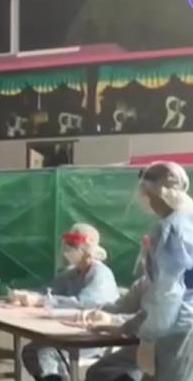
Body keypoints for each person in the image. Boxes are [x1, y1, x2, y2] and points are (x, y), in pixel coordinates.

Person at [20, 223, 120, 381]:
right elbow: (50, 291)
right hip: (70, 332)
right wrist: (25, 296)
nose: (68, 250)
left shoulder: (101, 274)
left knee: (45, 352)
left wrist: (41, 301)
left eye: (73, 246)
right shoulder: (73, 273)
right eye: (67, 245)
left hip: (95, 337)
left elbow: (86, 302)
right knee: (31, 351)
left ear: (87, 249)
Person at [134, 161, 193, 380]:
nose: (146, 199)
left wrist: (149, 335)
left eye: (148, 193)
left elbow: (169, 290)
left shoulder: (170, 228)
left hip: (177, 328)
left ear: (160, 192)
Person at [83, 273, 149, 381]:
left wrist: (114, 321)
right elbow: (122, 307)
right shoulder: (146, 281)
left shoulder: (169, 281)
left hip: (163, 353)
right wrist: (98, 312)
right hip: (142, 350)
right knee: (97, 372)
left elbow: (155, 318)